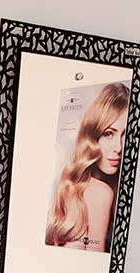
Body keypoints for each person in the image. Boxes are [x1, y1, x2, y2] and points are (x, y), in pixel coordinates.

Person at [44, 82, 130, 251]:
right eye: (108, 134)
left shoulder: (71, 184)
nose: (119, 148)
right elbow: (93, 269)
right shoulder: (101, 193)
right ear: (93, 135)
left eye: (125, 135)